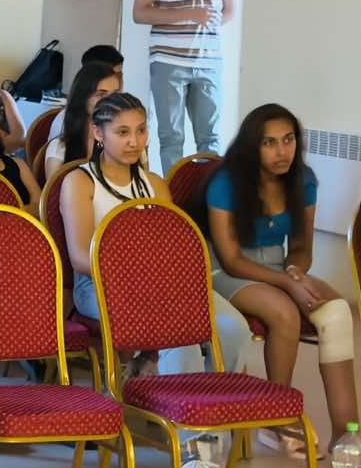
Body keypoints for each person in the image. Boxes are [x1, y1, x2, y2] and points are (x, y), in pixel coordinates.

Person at [205, 104, 361, 466]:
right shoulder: (226, 183)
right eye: (269, 142)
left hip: (278, 267)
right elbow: (231, 259)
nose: (282, 151)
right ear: (252, 146)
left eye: (288, 140)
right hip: (223, 271)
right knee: (283, 313)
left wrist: (294, 273)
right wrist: (287, 283)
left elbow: (300, 247)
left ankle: (346, 434)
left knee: (337, 313)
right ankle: (277, 417)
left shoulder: (304, 180)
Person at [62, 90, 252, 395]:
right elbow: (81, 258)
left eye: (141, 130)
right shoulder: (80, 182)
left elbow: (174, 251)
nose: (134, 141)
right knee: (180, 334)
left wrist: (167, 280)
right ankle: (185, 415)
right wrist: (145, 278)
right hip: (99, 285)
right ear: (98, 133)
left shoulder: (154, 185)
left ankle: (214, 403)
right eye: (122, 132)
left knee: (234, 328)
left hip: (164, 283)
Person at [133, 0, 238, 172]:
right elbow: (139, 12)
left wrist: (208, 26)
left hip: (209, 61)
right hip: (168, 60)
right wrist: (189, 15)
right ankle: (174, 195)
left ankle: (207, 194)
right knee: (171, 138)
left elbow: (229, 10)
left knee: (210, 138)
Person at [42, 61, 122, 181]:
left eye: (115, 94)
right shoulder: (60, 148)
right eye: (101, 95)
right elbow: (54, 191)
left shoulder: (128, 142)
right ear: (83, 97)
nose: (111, 102)